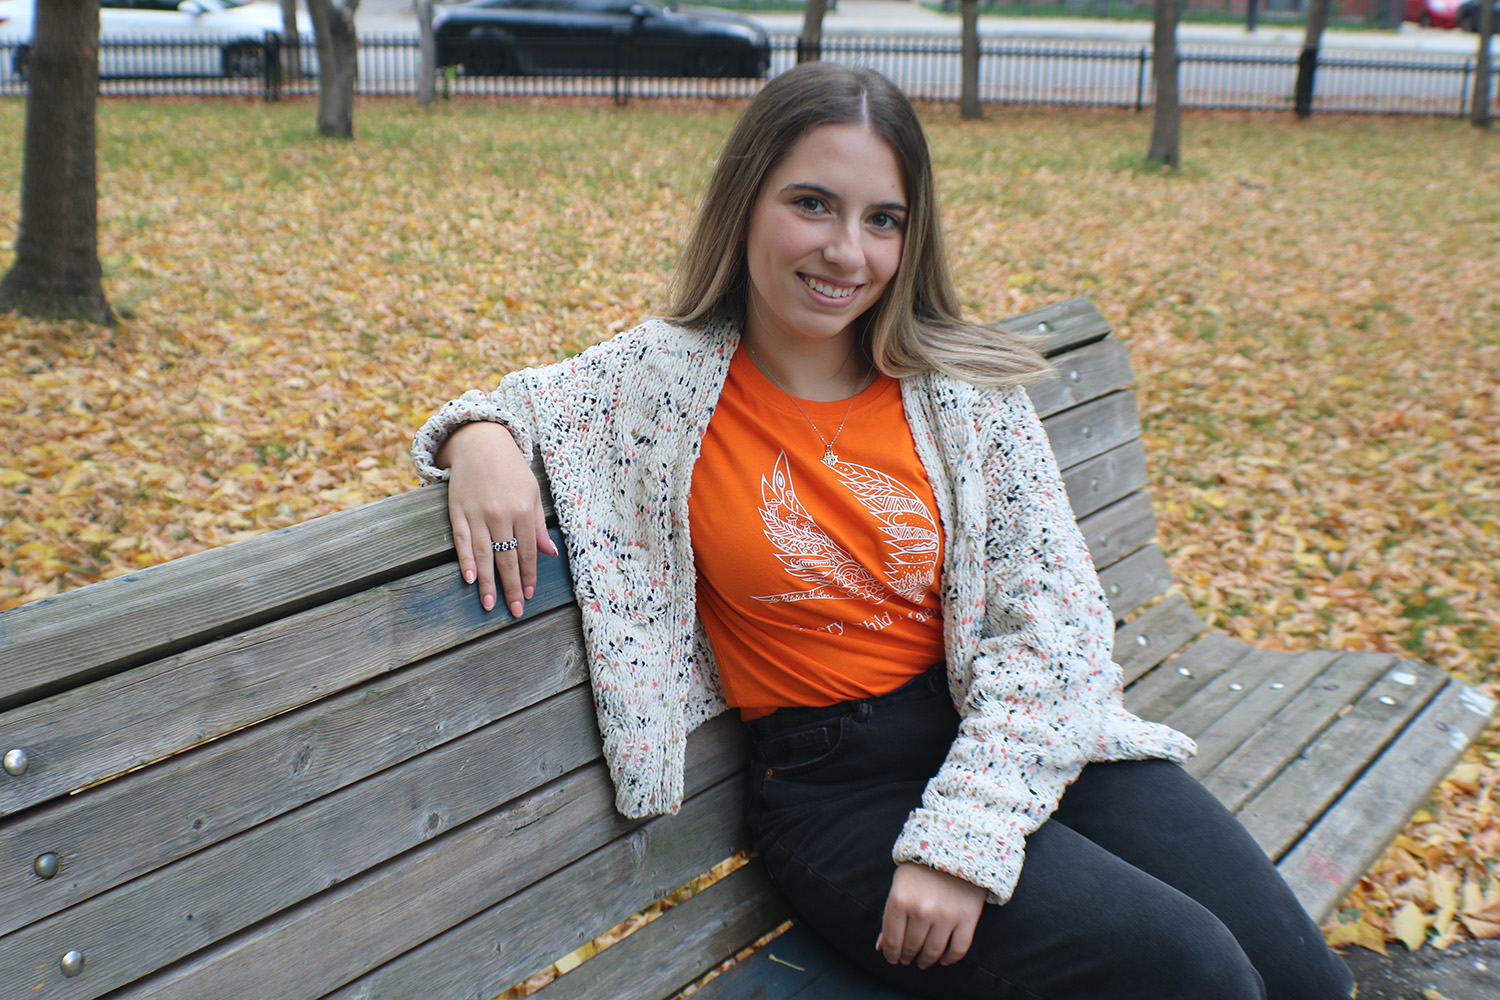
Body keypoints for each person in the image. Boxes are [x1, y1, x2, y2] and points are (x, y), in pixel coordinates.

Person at [411, 63, 1353, 1000]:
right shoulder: (658, 385)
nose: (846, 253)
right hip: (841, 790)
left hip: (1007, 733)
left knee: (1302, 978)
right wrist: (479, 439)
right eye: (812, 204)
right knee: (1195, 972)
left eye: (882, 219)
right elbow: (506, 407)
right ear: (745, 205)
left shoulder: (963, 396)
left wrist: (965, 836)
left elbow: (1059, 634)